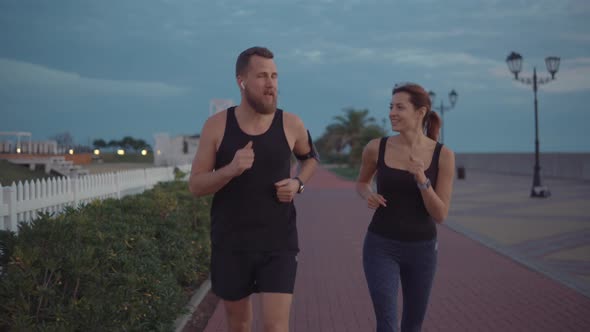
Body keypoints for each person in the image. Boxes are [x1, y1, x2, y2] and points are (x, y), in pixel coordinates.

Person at [188, 46, 318, 332]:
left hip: (278, 243)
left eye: (274, 75)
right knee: (240, 324)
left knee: (275, 326)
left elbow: (310, 158)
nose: (271, 83)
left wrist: (298, 183)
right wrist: (231, 169)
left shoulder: (292, 124)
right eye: (262, 76)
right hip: (231, 243)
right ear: (241, 81)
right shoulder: (217, 126)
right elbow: (196, 185)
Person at [355, 83, 455, 332]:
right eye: (391, 107)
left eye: (400, 107)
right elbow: (361, 182)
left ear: (420, 113)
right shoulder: (376, 147)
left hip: (422, 250)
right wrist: (368, 194)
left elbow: (440, 214)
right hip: (380, 245)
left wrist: (422, 180)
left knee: (412, 325)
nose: (392, 113)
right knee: (388, 324)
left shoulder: (443, 155)